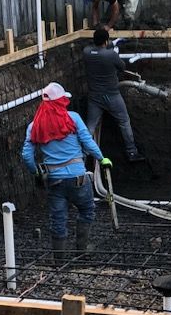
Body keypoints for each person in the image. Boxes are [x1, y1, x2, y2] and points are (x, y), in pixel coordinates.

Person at [21, 82, 109, 263]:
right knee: (86, 211)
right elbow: (88, 142)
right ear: (61, 101)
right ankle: (81, 251)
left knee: (58, 220)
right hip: (78, 179)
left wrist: (36, 172)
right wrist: (101, 159)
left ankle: (59, 260)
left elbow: (27, 156)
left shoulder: (34, 126)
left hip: (54, 181)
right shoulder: (73, 118)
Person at [82, 27, 142, 161]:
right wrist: (115, 50)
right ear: (106, 40)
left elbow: (98, 49)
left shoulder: (86, 52)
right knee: (124, 121)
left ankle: (82, 157)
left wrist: (114, 43)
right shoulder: (111, 55)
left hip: (94, 97)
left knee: (90, 127)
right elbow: (122, 67)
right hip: (112, 96)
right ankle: (132, 152)